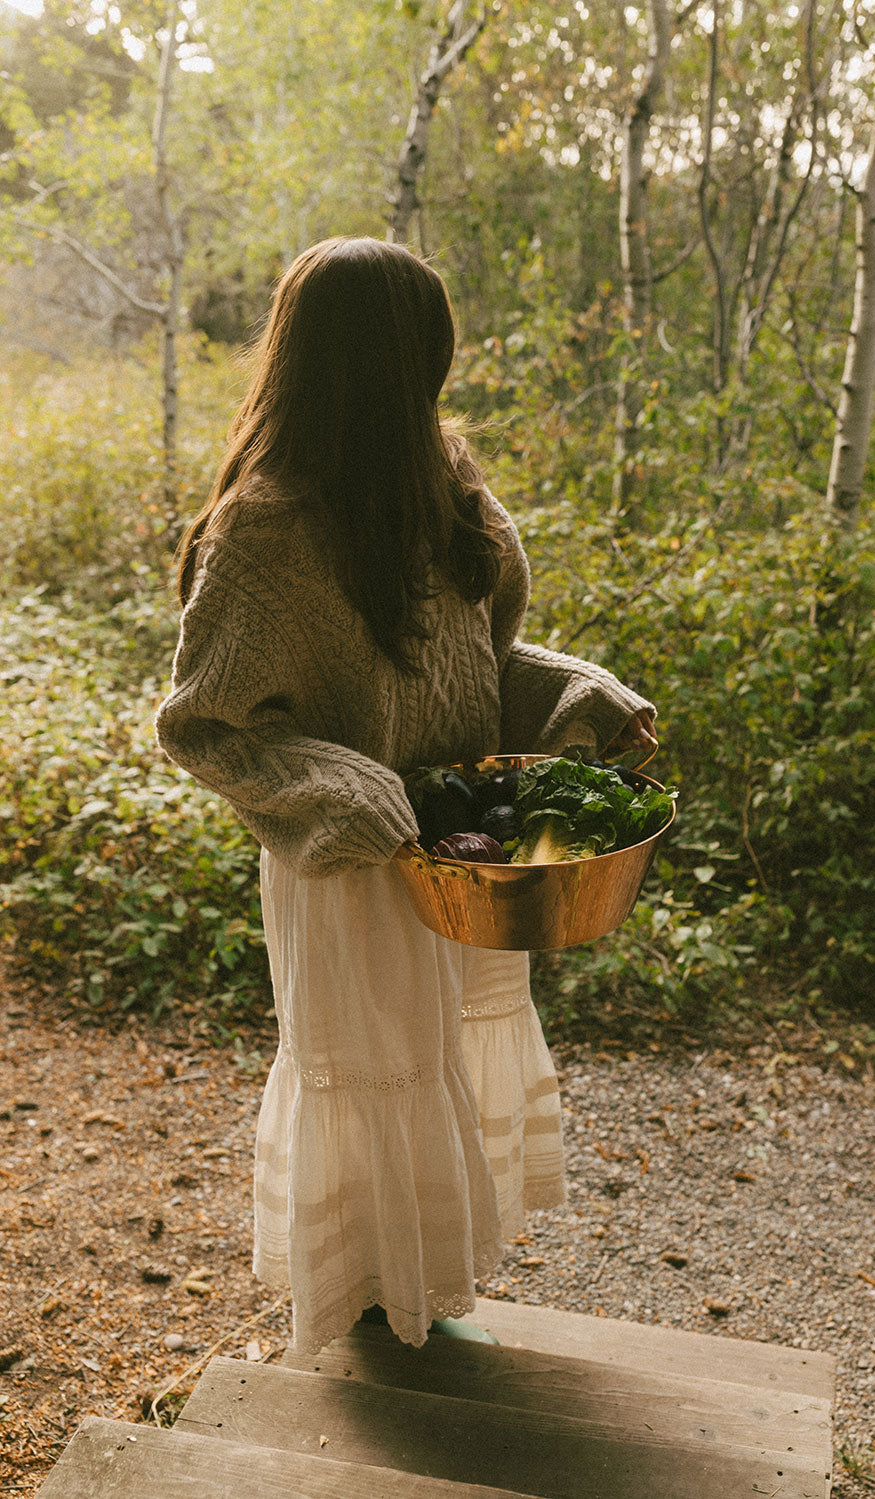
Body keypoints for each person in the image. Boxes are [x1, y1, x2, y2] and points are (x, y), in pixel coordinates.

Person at [155, 236, 657, 1352]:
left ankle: (417, 1304)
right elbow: (204, 720)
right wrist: (350, 784)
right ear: (387, 359)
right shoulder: (265, 529)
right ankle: (369, 1320)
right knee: (374, 1072)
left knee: (431, 1065)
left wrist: (586, 694)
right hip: (343, 864)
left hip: (459, 858)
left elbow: (481, 659)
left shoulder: (452, 487)